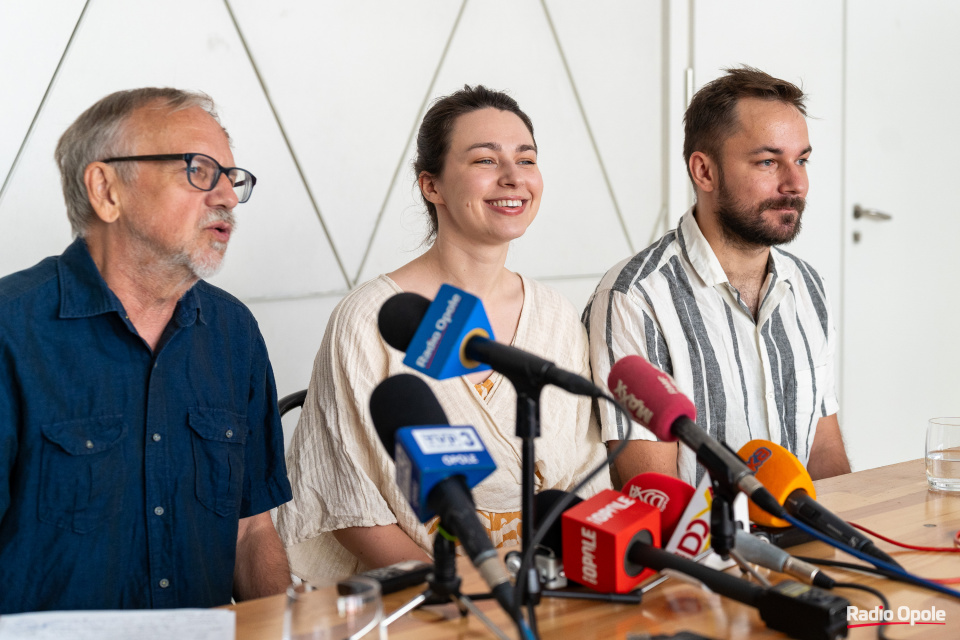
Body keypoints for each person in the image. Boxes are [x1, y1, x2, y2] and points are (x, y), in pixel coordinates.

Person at [277, 85, 611, 582]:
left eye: (527, 159)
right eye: (484, 160)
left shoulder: (556, 318)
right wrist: (466, 590)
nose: (513, 178)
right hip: (417, 595)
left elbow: (583, 477)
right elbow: (346, 497)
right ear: (430, 185)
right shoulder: (371, 317)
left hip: (541, 586)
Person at [0, 88, 292, 613]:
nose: (226, 195)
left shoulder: (234, 332)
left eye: (232, 177)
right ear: (106, 189)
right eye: (199, 170)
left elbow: (251, 532)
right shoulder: (10, 331)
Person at [584, 67, 851, 487]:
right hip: (705, 553)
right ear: (704, 172)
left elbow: (823, 449)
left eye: (801, 160)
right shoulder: (635, 298)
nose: (796, 182)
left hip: (806, 546)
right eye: (768, 161)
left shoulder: (808, 287)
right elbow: (655, 497)